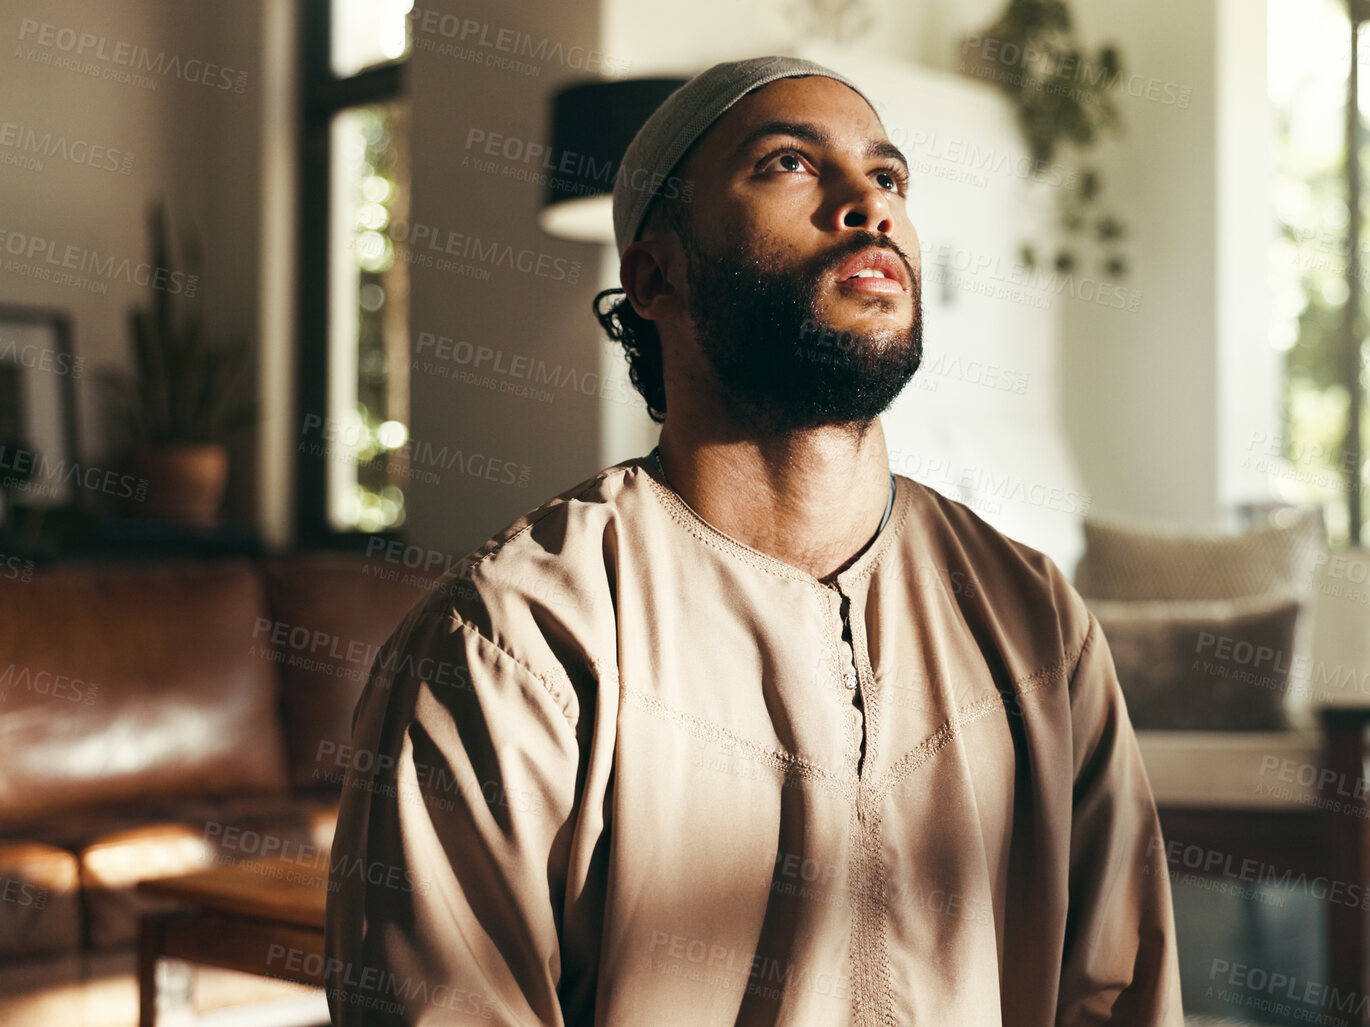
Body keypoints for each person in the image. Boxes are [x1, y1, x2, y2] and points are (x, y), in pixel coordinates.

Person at [325, 54, 1183, 1025]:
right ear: (655, 273)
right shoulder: (515, 642)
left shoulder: (1034, 621)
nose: (869, 202)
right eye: (789, 164)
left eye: (889, 176)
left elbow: (1119, 996)